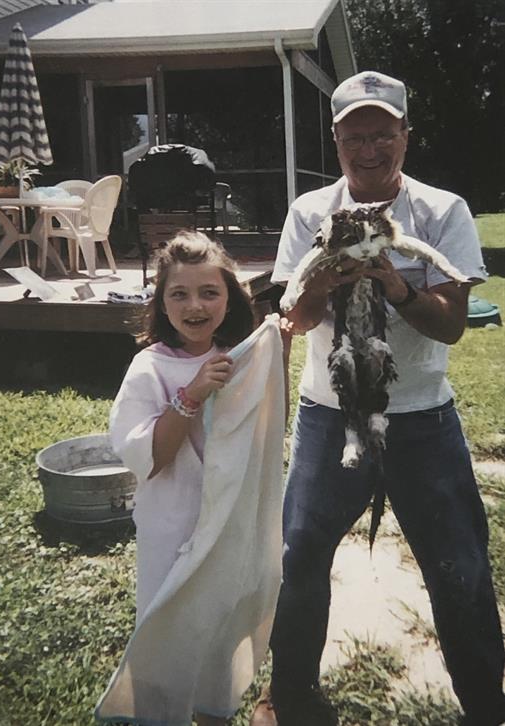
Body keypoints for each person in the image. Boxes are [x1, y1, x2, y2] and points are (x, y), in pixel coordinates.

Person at [250, 71, 505, 726]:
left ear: (405, 137)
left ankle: (485, 705)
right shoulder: (310, 212)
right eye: (354, 137)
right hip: (330, 415)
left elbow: (452, 324)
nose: (369, 149)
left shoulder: (440, 211)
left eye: (382, 135)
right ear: (336, 141)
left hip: (421, 418)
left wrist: (395, 285)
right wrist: (323, 281)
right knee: (298, 554)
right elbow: (294, 316)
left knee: (460, 567)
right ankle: (292, 696)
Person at [96, 232, 288, 726]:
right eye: (179, 294)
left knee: (218, 628)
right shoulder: (149, 367)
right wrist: (192, 395)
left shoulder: (239, 359)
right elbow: (151, 458)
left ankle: (212, 714)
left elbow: (263, 432)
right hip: (171, 525)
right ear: (161, 303)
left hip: (226, 526)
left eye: (209, 292)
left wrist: (275, 352)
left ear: (230, 298)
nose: (195, 306)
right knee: (170, 626)